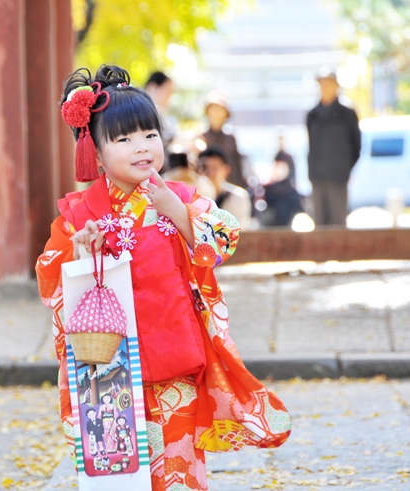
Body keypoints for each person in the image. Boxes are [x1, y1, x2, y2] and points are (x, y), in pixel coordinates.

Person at [36, 65, 291, 491]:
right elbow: (50, 277)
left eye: (149, 135)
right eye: (123, 139)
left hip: (176, 362)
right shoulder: (80, 216)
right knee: (117, 480)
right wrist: (82, 252)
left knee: (179, 473)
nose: (141, 148)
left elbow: (225, 238)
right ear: (95, 153)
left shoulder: (180, 198)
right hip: (110, 370)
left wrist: (176, 212)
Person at [306, 66, 361, 227]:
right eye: (322, 84)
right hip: (317, 178)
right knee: (319, 224)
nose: (325, 87)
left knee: (338, 223)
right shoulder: (312, 115)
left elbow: (356, 146)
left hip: (338, 177)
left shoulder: (347, 113)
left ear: (337, 86)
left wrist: (344, 169)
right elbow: (311, 145)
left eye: (329, 83)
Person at [199, 91, 247, 188]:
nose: (216, 113)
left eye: (220, 109)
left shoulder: (230, 138)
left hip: (228, 188)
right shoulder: (201, 137)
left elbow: (237, 167)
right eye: (214, 109)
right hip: (207, 188)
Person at [199, 146, 252, 230]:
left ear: (226, 170)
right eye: (205, 168)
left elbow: (238, 231)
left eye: (214, 168)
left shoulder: (238, 197)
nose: (209, 173)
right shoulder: (195, 197)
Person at [145, 71, 176, 169]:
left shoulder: (161, 113)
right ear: (153, 87)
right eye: (168, 91)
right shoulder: (146, 111)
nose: (170, 97)